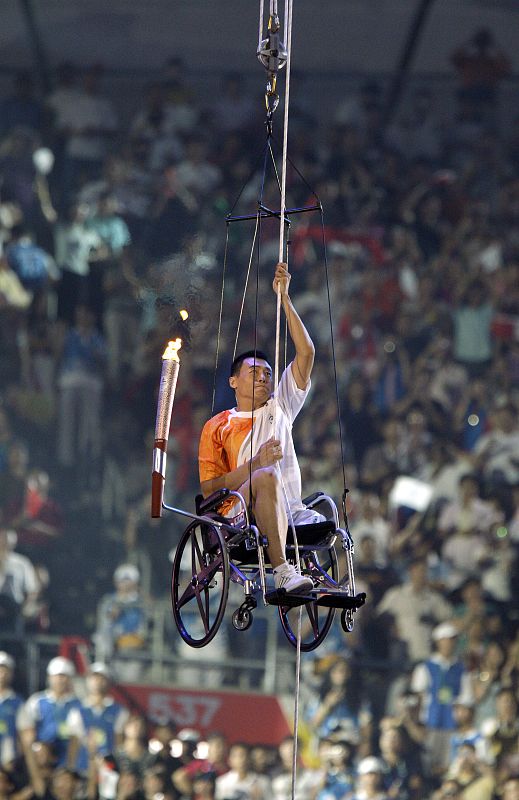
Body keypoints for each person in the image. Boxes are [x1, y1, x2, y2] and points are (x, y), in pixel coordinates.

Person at [198, 262, 318, 595]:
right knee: (266, 477)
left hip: (288, 509)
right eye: (255, 372)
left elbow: (306, 353)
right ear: (234, 381)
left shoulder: (281, 407)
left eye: (268, 372)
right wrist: (257, 463)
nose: (264, 376)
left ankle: (303, 573)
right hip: (237, 514)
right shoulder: (218, 426)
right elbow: (210, 489)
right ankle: (282, 571)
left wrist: (285, 299)